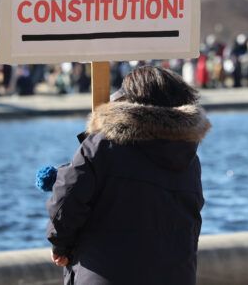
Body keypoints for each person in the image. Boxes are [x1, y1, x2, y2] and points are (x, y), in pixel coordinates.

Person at [46, 65, 211, 285]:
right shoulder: (189, 157)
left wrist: (61, 245)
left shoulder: (103, 144)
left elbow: (67, 197)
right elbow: (192, 224)